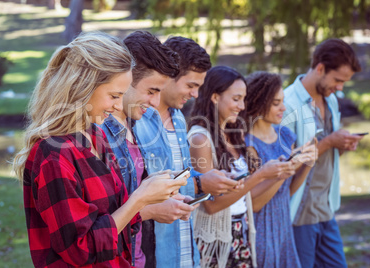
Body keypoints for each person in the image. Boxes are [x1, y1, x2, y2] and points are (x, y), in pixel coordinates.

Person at [12, 32, 188, 268]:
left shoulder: (94, 135)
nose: (118, 105)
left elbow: (116, 218)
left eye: (122, 96)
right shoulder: (53, 154)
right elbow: (80, 250)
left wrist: (149, 189)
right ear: (83, 87)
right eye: (114, 96)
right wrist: (139, 199)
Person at [133, 37, 240, 268]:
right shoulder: (136, 120)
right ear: (169, 75)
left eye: (199, 87)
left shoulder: (180, 119)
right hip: (151, 256)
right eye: (191, 85)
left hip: (185, 253)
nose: (195, 95)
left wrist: (203, 181)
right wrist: (201, 183)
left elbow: (178, 177)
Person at [188, 66, 300, 268]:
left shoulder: (233, 134)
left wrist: (280, 172)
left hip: (242, 233)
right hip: (215, 242)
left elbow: (245, 195)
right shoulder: (200, 139)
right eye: (236, 98)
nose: (242, 106)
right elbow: (211, 205)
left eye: (244, 98)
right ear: (215, 97)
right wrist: (260, 175)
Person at [100, 30, 190, 268]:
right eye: (151, 91)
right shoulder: (97, 134)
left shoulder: (138, 120)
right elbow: (99, 221)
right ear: (127, 79)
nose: (155, 103)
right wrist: (152, 209)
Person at [282, 38, 364, 267]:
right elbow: (285, 164)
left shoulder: (332, 101)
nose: (340, 88)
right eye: (338, 80)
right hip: (299, 214)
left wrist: (342, 145)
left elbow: (327, 155)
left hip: (326, 209)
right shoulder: (287, 104)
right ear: (320, 68)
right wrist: (329, 142)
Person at [243, 71, 318, 267]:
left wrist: (307, 163)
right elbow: (255, 203)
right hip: (260, 230)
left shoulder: (285, 135)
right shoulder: (248, 145)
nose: (284, 108)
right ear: (258, 103)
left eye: (283, 101)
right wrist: (284, 172)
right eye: (276, 103)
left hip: (283, 227)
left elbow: (288, 191)